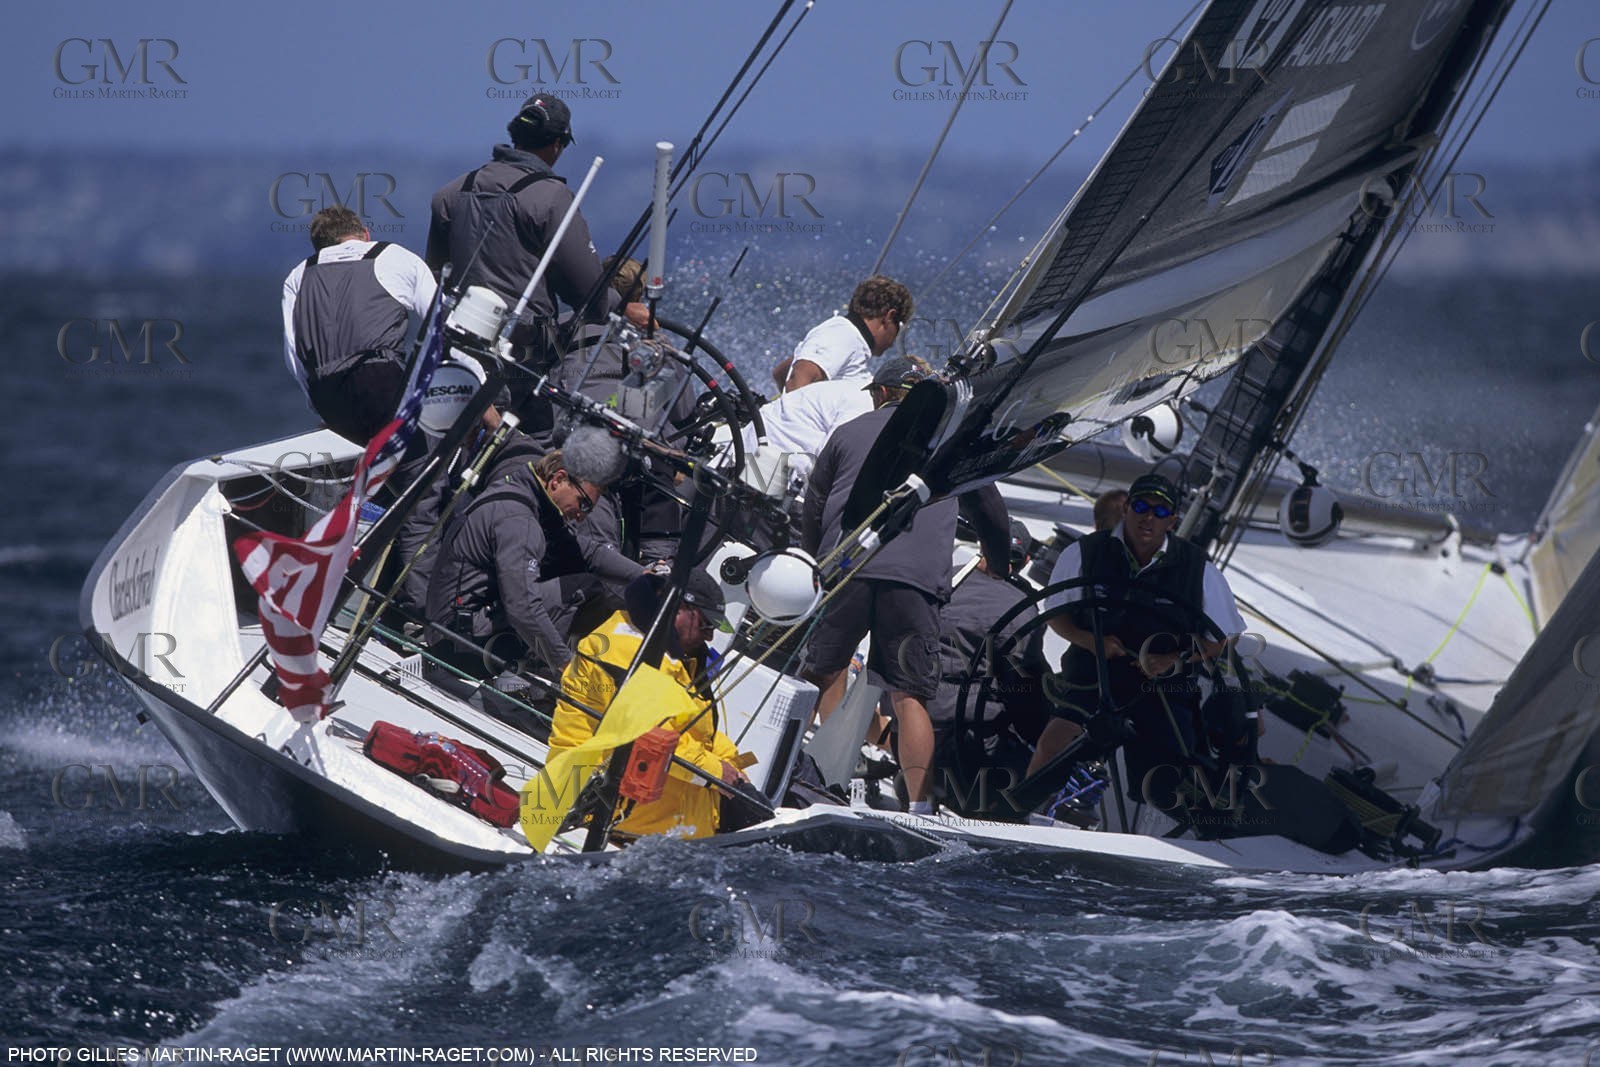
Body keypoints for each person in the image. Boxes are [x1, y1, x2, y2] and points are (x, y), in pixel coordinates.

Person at [799, 363, 1010, 813]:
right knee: (908, 694)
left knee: (823, 671)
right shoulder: (952, 442)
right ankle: (919, 809)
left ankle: (823, 777)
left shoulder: (848, 431)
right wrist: (1000, 560)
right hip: (915, 582)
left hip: (848, 566)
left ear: (883, 393)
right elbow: (989, 507)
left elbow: (814, 507)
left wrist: (815, 564)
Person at [1029, 472, 1246, 806]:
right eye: (1142, 506)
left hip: (1163, 691)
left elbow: (1223, 636)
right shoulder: (1085, 552)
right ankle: (1025, 811)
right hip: (1091, 678)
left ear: (1172, 521)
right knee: (1054, 743)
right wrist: (1090, 641)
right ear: (1127, 508)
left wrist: (1172, 660)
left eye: (1160, 512)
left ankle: (1151, 836)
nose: (1149, 518)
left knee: (1165, 780)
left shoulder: (1197, 568)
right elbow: (1057, 612)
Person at [426, 94, 651, 369]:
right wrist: (622, 305)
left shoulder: (449, 194)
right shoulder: (550, 198)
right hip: (522, 356)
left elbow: (436, 279)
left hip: (456, 351)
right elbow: (585, 291)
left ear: (516, 135)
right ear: (558, 144)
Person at [423, 427, 642, 705]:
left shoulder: (527, 495)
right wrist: (565, 665)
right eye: (583, 503)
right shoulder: (520, 521)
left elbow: (588, 552)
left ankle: (545, 669)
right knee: (585, 588)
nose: (582, 516)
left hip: (454, 629)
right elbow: (522, 608)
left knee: (592, 580)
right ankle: (536, 680)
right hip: (457, 646)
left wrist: (643, 576)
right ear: (558, 479)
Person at [549, 569, 750, 840]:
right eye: (706, 625)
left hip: (660, 814)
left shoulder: (669, 652)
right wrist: (716, 773)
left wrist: (731, 763)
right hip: (602, 807)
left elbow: (692, 725)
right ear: (680, 609)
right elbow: (649, 734)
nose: (710, 637)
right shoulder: (626, 651)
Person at [280, 206, 436, 444]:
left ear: (320, 246)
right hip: (380, 381)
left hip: (328, 392)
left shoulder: (298, 275)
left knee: (359, 471)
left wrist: (319, 407)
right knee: (416, 465)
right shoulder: (391, 255)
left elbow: (294, 355)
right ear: (365, 233)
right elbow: (442, 323)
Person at [927, 520, 1050, 819]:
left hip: (917, 732)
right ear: (1026, 562)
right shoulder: (1023, 610)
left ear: (982, 547)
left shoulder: (943, 582)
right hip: (972, 752)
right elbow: (1027, 700)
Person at [742, 355, 931, 483]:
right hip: (761, 468)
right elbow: (833, 465)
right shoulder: (865, 404)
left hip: (754, 455)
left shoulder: (854, 391)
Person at [770, 276, 914, 393]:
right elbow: (798, 378)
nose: (894, 342)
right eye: (900, 328)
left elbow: (781, 372)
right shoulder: (843, 334)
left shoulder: (849, 338)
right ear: (889, 317)